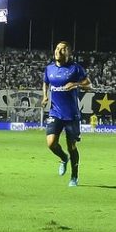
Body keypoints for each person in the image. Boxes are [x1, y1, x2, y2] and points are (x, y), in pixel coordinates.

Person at [41, 41, 92, 187]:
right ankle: (64, 158)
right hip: (55, 112)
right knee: (51, 144)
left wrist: (75, 84)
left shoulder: (75, 69)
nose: (58, 51)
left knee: (72, 147)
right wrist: (45, 96)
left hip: (71, 114)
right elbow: (46, 82)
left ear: (68, 53)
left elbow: (89, 84)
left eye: (63, 49)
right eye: (57, 48)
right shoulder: (49, 68)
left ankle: (74, 177)